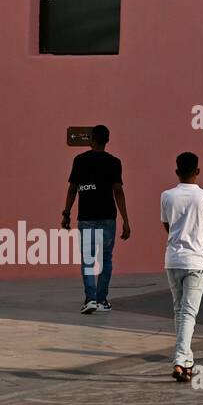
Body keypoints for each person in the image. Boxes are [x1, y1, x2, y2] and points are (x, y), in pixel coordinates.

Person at [160, 152, 203, 383]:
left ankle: (187, 361)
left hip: (173, 260)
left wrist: (180, 240)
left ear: (177, 171)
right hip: (195, 261)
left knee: (179, 311)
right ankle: (179, 360)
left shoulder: (166, 196)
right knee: (188, 313)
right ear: (197, 171)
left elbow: (167, 225)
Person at [61, 124, 131, 314]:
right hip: (108, 217)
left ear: (92, 139)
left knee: (88, 259)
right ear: (107, 140)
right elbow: (118, 191)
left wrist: (66, 213)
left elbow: (72, 189)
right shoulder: (114, 162)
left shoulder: (80, 160)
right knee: (106, 258)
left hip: (86, 217)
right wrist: (126, 220)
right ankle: (102, 300)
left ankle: (90, 299)